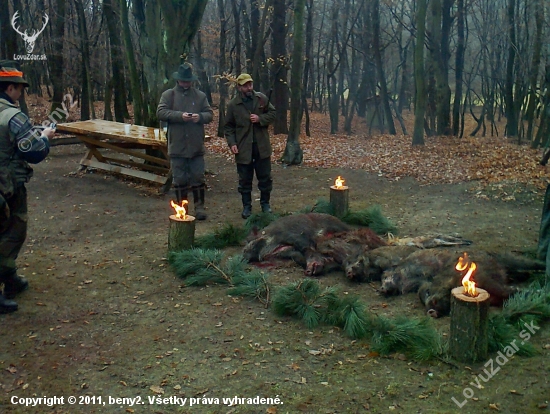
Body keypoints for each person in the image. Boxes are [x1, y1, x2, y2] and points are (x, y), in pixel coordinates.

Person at [0, 60, 55, 313]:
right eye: (19, 88)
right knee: (13, 232)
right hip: (7, 187)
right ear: (10, 88)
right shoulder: (13, 116)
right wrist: (44, 138)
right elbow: (33, 153)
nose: (21, 93)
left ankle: (9, 278)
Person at [157, 63, 213, 220]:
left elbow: (209, 114)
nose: (186, 83)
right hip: (177, 145)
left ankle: (200, 207)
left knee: (198, 178)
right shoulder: (168, 95)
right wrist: (180, 116)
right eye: (183, 81)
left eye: (188, 81)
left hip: (196, 145)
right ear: (178, 80)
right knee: (179, 179)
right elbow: (160, 112)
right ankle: (182, 209)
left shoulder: (200, 96)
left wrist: (199, 117)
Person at [224, 73, 276, 219]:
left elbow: (272, 114)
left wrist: (260, 119)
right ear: (239, 87)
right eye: (245, 85)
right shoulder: (234, 104)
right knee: (244, 180)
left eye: (250, 84)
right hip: (243, 148)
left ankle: (265, 204)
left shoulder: (261, 99)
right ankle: (247, 207)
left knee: (265, 178)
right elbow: (228, 127)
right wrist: (232, 143)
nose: (249, 88)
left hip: (261, 147)